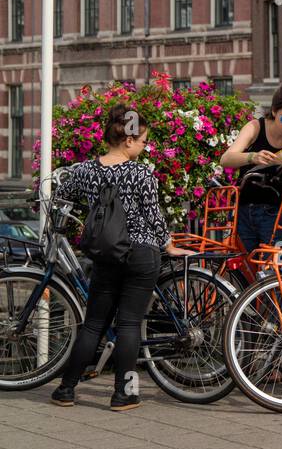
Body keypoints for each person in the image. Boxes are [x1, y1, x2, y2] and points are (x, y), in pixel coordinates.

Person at [51, 103, 192, 411]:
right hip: (140, 254)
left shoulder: (87, 170)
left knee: (93, 325)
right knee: (129, 324)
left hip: (105, 255)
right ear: (129, 139)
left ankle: (65, 389)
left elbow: (63, 192)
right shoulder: (142, 173)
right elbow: (153, 217)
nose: (144, 146)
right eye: (143, 141)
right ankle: (123, 394)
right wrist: (168, 245)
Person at [219, 85, 282, 253]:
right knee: (244, 268)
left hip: (278, 213)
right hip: (244, 209)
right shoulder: (256, 127)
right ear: (274, 111)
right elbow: (226, 159)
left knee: (278, 267)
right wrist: (252, 156)